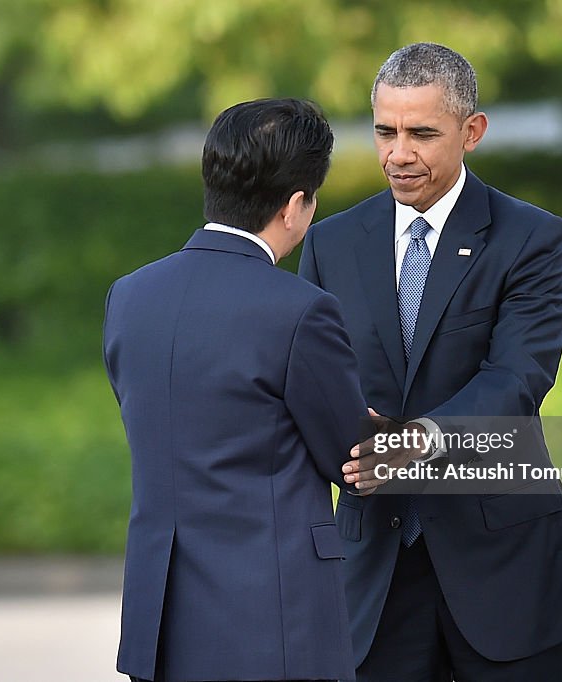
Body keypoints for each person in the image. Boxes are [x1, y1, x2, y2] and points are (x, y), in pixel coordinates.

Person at [298, 43, 562, 681]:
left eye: (422, 133)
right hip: (373, 566)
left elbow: (519, 380)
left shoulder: (533, 239)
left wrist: (419, 440)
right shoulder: (330, 243)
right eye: (385, 131)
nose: (398, 154)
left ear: (472, 131)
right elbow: (317, 384)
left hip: (503, 561)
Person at [103, 98, 373, 682]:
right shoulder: (300, 312)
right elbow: (355, 457)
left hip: (161, 623)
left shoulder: (128, 297)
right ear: (297, 205)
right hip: (274, 625)